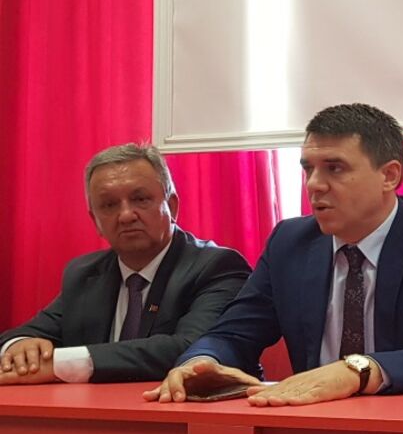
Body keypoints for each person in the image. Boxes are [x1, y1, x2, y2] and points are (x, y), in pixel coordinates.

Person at [146, 103, 403, 407]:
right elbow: (233, 334)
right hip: (312, 424)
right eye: (308, 169)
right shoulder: (290, 242)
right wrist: (200, 362)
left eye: (334, 168)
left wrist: (357, 371)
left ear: (389, 175)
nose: (314, 184)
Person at [0, 143, 251, 384]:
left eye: (140, 199)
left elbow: (193, 349)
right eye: (109, 205)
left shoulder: (216, 266)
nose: (126, 215)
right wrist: (19, 347)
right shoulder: (84, 274)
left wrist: (61, 364)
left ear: (172, 206)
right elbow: (22, 335)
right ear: (95, 221)